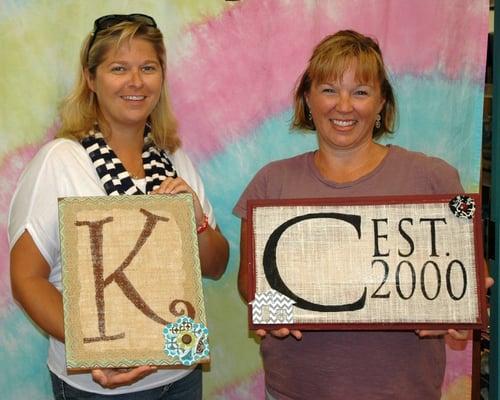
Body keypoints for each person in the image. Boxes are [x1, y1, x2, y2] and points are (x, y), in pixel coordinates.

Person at [233, 30, 492, 399]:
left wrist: (463, 307)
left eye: (360, 91)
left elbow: (470, 274)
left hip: (404, 391)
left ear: (381, 102)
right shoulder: (271, 182)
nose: (343, 105)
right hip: (295, 390)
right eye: (328, 89)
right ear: (307, 99)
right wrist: (272, 316)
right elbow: (250, 283)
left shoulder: (435, 178)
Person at [9, 14, 229, 399]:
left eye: (148, 67)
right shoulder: (61, 161)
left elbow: (215, 265)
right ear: (91, 79)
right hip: (97, 387)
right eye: (118, 68)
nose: (136, 81)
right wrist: (99, 347)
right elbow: (26, 279)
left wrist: (196, 220)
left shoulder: (174, 158)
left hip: (180, 375)